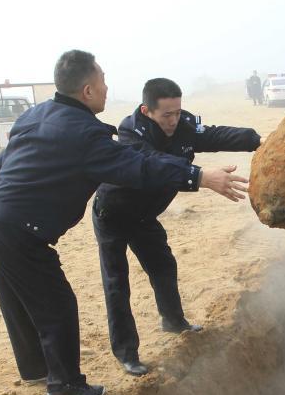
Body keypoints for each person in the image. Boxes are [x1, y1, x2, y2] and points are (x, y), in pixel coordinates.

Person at [0, 50, 248, 395]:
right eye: (103, 81)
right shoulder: (85, 134)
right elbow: (138, 166)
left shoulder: (37, 113)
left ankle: (36, 370)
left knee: (19, 302)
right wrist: (199, 176)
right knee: (56, 305)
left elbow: (6, 158)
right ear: (87, 90)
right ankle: (65, 386)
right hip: (21, 228)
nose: (107, 88)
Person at [93, 77, 262, 376]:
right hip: (115, 213)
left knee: (163, 266)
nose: (173, 120)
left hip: (145, 215)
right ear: (147, 111)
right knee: (117, 283)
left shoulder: (185, 122)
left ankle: (173, 321)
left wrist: (256, 140)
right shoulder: (130, 132)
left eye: (177, 112)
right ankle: (127, 353)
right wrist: (200, 176)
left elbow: (213, 134)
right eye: (166, 115)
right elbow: (154, 164)